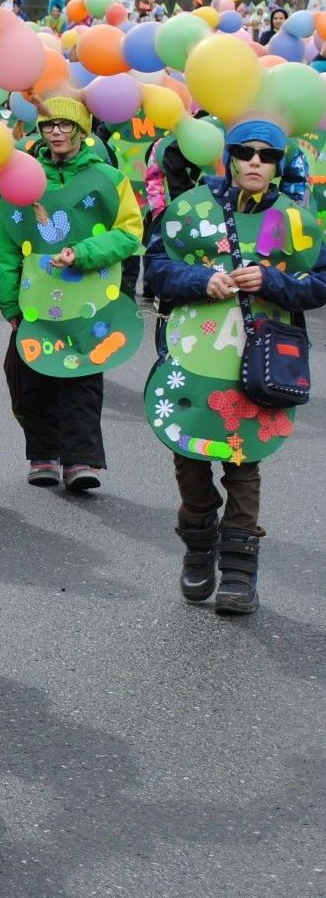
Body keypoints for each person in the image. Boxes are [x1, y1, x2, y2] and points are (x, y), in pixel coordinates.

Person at [143, 120, 326, 615]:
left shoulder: (297, 219)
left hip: (260, 361)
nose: (255, 162)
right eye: (244, 152)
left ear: (278, 165)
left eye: (267, 156)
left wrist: (270, 281)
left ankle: (240, 571)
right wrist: (203, 280)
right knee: (188, 454)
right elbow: (155, 269)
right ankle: (199, 548)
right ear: (229, 157)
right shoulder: (193, 209)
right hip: (193, 360)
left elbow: (319, 284)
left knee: (245, 461)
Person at [0, 95, 141, 492]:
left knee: (83, 378)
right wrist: (8, 302)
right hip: (35, 300)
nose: (55, 132)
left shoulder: (108, 178)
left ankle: (81, 460)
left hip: (90, 297)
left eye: (64, 125)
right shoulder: (23, 176)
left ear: (81, 130)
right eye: (47, 125)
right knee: (33, 377)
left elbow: (130, 232)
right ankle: (43, 455)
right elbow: (6, 243)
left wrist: (83, 254)